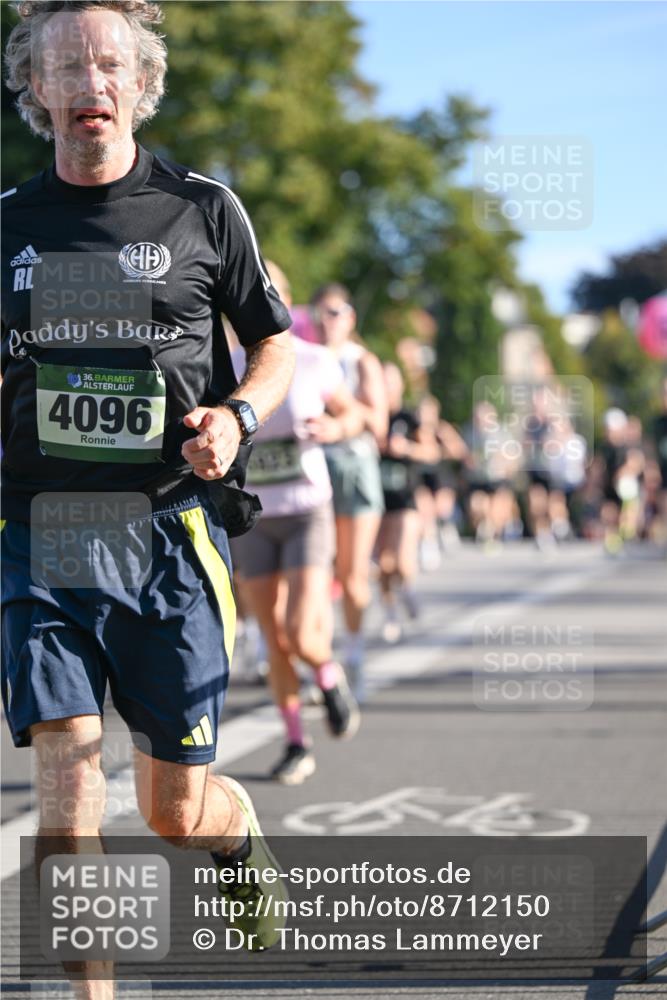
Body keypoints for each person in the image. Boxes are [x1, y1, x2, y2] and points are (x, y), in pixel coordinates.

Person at [1, 2, 295, 994]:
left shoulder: (203, 208)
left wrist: (238, 419)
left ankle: (234, 833)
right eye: (67, 67)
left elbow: (273, 339)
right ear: (33, 89)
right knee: (68, 765)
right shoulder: (7, 227)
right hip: (39, 534)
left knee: (174, 809)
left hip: (169, 529)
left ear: (141, 82)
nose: (91, 83)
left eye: (109, 64)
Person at [230, 262, 362, 784]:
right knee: (273, 637)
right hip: (255, 517)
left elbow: (357, 415)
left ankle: (329, 678)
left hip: (308, 512)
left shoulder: (312, 360)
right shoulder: (227, 363)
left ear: (284, 301)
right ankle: (294, 741)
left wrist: (334, 426)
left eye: (268, 293)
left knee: (299, 632)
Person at [310, 283, 387, 686]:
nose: (327, 321)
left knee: (353, 574)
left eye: (335, 312)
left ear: (351, 318)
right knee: (317, 576)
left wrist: (339, 412)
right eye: (320, 312)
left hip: (355, 469)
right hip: (312, 471)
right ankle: (320, 662)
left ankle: (355, 651)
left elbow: (380, 424)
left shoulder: (360, 361)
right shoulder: (303, 355)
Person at [375, 364, 440, 648]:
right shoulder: (372, 416)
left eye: (391, 384)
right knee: (383, 565)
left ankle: (410, 590)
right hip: (378, 499)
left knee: (401, 559)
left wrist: (407, 449)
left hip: (406, 498)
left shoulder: (408, 417)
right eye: (383, 383)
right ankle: (391, 614)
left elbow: (432, 452)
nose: (387, 390)